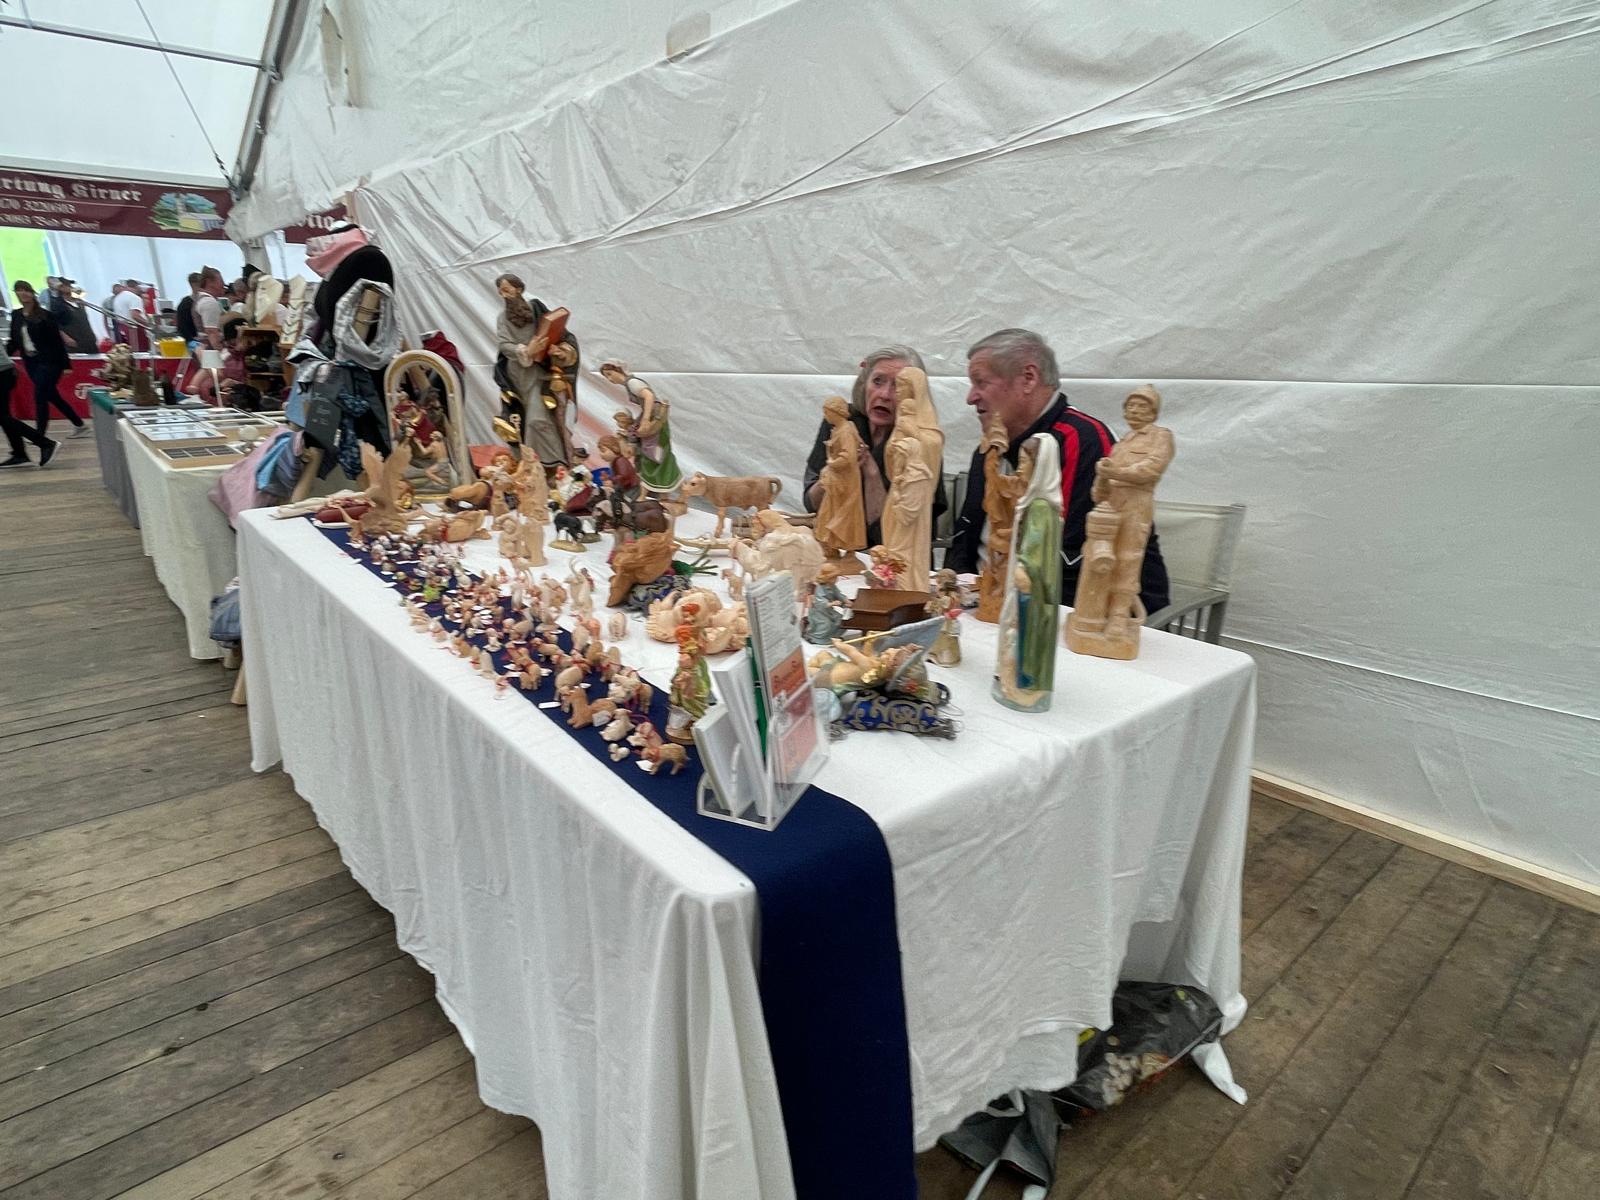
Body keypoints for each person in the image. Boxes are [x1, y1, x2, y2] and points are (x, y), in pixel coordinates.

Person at [946, 328, 1168, 615]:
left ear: (1028, 378)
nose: (970, 397)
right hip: (984, 604)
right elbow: (964, 541)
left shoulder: (1083, 440)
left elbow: (1072, 565)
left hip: (1059, 612)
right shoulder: (989, 448)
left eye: (980, 382)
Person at [802, 345, 947, 548]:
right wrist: (834, 472)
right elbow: (811, 503)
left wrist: (871, 473)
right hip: (839, 549)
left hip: (892, 556)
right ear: (865, 383)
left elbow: (890, 537)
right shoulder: (842, 420)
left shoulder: (921, 442)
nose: (885, 394)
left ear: (915, 394)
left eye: (898, 386)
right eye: (877, 381)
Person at [493, 273, 579, 466]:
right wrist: (526, 351)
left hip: (538, 374)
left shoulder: (536, 309)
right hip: (516, 377)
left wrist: (560, 351)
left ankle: (555, 463)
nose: (504, 295)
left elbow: (560, 335)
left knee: (538, 419)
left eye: (506, 290)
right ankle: (532, 465)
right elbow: (504, 345)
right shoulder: (502, 318)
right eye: (501, 292)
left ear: (519, 289)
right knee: (521, 421)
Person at [7, 281, 87, 440]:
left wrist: (66, 365)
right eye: (19, 291)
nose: (23, 293)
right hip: (31, 363)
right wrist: (4, 354)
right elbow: (14, 341)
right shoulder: (16, 315)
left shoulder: (45, 315)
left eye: (26, 290)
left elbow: (57, 342)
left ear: (32, 293)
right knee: (51, 395)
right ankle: (79, 424)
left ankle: (40, 437)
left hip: (50, 362)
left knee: (40, 395)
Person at [0, 353, 60, 467]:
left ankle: (45, 443)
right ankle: (20, 454)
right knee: (4, 417)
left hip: (2, 372)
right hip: (5, 371)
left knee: (3, 417)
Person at [48, 278, 98, 354]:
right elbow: (54, 324)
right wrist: (66, 338)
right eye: (65, 285)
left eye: (69, 285)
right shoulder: (57, 304)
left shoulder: (79, 302)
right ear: (59, 288)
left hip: (89, 340)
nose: (69, 287)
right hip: (75, 342)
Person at [112, 279, 148, 352]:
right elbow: (135, 315)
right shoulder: (134, 298)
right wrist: (149, 325)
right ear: (137, 287)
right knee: (141, 352)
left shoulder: (117, 298)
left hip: (122, 328)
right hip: (135, 329)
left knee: (130, 352)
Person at [174, 272, 201, 348]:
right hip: (192, 341)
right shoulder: (186, 303)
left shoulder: (186, 302)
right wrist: (191, 340)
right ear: (194, 285)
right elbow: (182, 326)